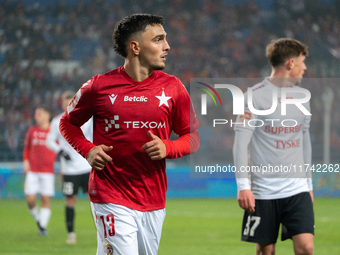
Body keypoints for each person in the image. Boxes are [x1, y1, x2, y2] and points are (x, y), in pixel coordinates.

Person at [59, 13, 200, 255]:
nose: (167, 46)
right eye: (158, 40)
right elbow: (67, 123)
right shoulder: (98, 86)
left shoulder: (174, 87)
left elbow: (192, 137)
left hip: (153, 198)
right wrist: (88, 149)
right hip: (109, 193)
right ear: (135, 47)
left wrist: (169, 147)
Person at [233, 38, 314, 255]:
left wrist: (308, 183)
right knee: (265, 251)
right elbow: (241, 143)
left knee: (306, 247)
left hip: (297, 190)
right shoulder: (254, 96)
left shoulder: (303, 97)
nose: (304, 68)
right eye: (302, 62)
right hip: (263, 191)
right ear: (290, 63)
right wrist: (243, 186)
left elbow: (304, 141)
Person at [46, 91, 93, 244]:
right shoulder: (56, 121)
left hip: (87, 166)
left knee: (95, 200)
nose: (68, 104)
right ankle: (71, 234)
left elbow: (95, 135)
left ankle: (102, 233)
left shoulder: (87, 118)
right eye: (65, 102)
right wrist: (59, 151)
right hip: (70, 169)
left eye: (71, 101)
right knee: (70, 201)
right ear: (61, 103)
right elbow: (49, 140)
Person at [23, 105, 56, 236]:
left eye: (40, 113)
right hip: (33, 170)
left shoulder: (54, 131)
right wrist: (26, 161)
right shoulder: (32, 131)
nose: (37, 116)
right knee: (30, 199)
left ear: (47, 116)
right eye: (36, 114)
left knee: (45, 199)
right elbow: (27, 148)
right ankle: (39, 221)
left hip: (48, 171)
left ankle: (42, 227)